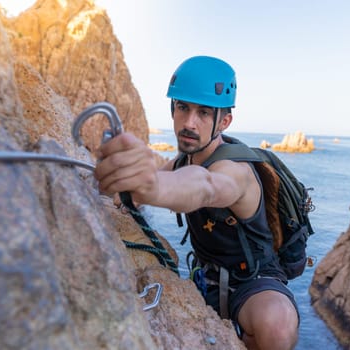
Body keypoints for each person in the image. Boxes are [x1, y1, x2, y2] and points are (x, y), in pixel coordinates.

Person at [94, 56, 299, 350]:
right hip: (205, 278)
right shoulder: (181, 161)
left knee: (276, 324)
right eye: (182, 108)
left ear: (224, 121)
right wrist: (118, 183)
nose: (189, 122)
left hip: (252, 282)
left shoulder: (236, 171)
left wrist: (148, 185)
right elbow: (143, 189)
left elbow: (204, 186)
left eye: (204, 113)